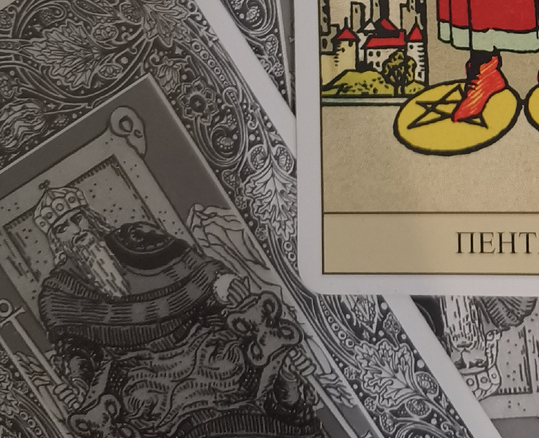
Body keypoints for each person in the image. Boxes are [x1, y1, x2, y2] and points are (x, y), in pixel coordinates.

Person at [33, 181, 323, 437]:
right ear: (56, 240)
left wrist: (221, 284)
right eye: (63, 228)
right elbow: (77, 349)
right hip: (138, 368)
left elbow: (197, 268)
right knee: (145, 403)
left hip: (197, 340)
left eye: (78, 218)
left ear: (90, 216)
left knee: (230, 363)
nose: (76, 230)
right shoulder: (59, 290)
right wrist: (79, 379)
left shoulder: (137, 238)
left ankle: (286, 402)